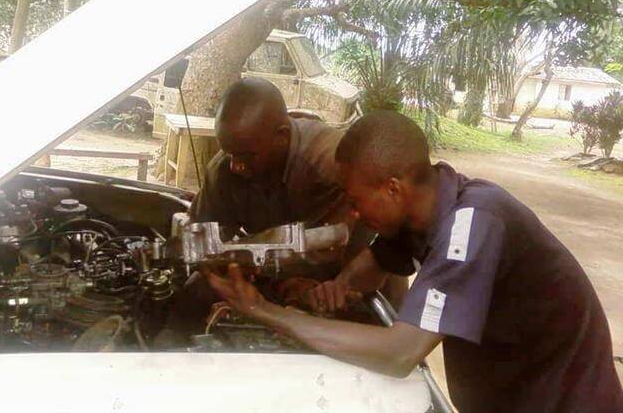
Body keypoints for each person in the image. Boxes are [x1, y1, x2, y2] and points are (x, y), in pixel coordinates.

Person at [206, 110, 623, 413]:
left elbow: (399, 352)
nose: (350, 215)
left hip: (563, 400)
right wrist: (334, 288)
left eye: (354, 201)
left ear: (392, 189)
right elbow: (370, 267)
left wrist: (266, 312)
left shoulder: (474, 225)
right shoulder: (423, 207)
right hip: (513, 391)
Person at [169, 78, 407, 333]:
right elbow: (201, 242)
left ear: (282, 136)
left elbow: (346, 248)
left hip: (356, 280)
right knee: (192, 293)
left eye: (246, 156)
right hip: (280, 277)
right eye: (229, 153)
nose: (235, 166)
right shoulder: (224, 170)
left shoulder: (334, 164)